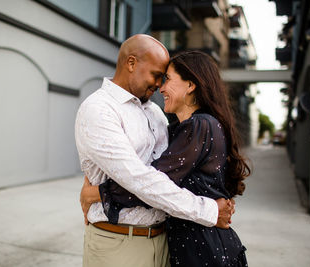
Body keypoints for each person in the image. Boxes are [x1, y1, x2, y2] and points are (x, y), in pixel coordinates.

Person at [75, 34, 235, 267]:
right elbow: (140, 179)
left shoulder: (156, 114)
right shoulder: (99, 109)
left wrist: (97, 192)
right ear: (131, 63)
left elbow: (168, 174)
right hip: (120, 243)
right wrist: (209, 211)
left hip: (165, 242)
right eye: (157, 75)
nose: (160, 85)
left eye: (165, 78)